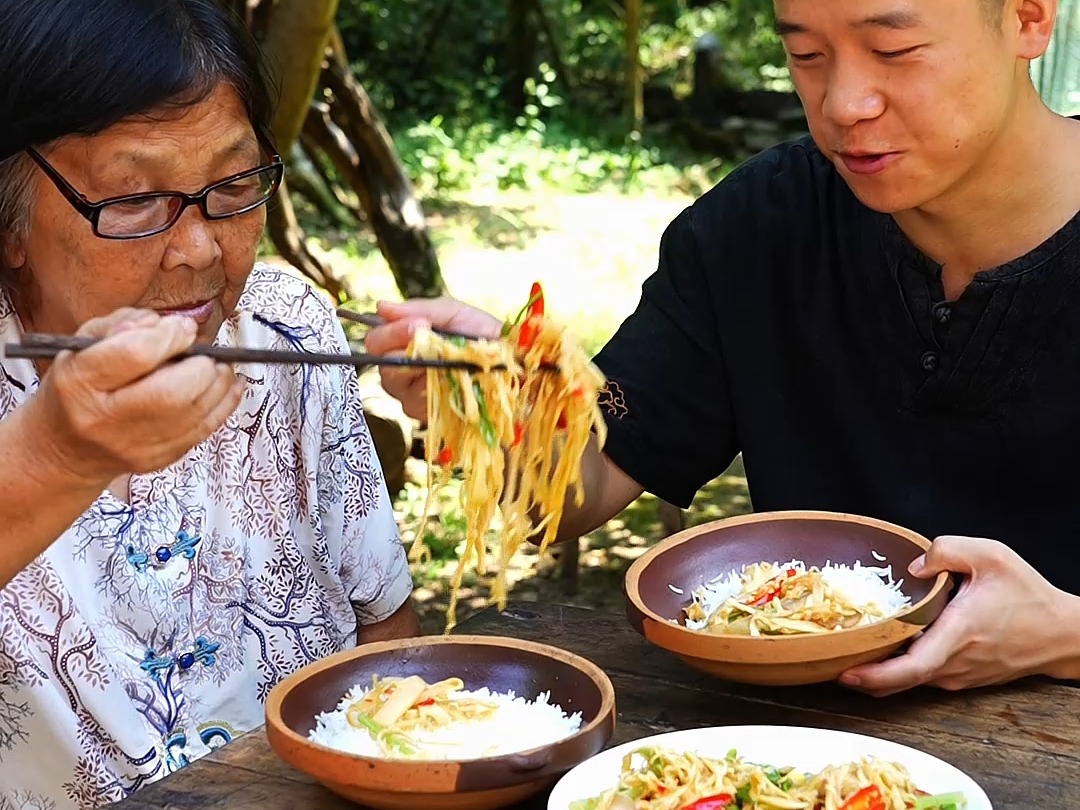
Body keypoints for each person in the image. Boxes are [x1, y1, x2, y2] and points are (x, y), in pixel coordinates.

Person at [368, 0, 1080, 699]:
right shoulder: (757, 229)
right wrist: (492, 399)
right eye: (806, 55)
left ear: (1027, 17)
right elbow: (577, 491)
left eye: (893, 50)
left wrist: (1064, 633)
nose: (843, 104)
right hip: (789, 748)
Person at [0, 1, 418, 805]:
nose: (198, 249)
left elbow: (382, 628)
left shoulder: (285, 327)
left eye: (233, 184)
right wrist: (56, 455)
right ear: (8, 223)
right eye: (131, 200)